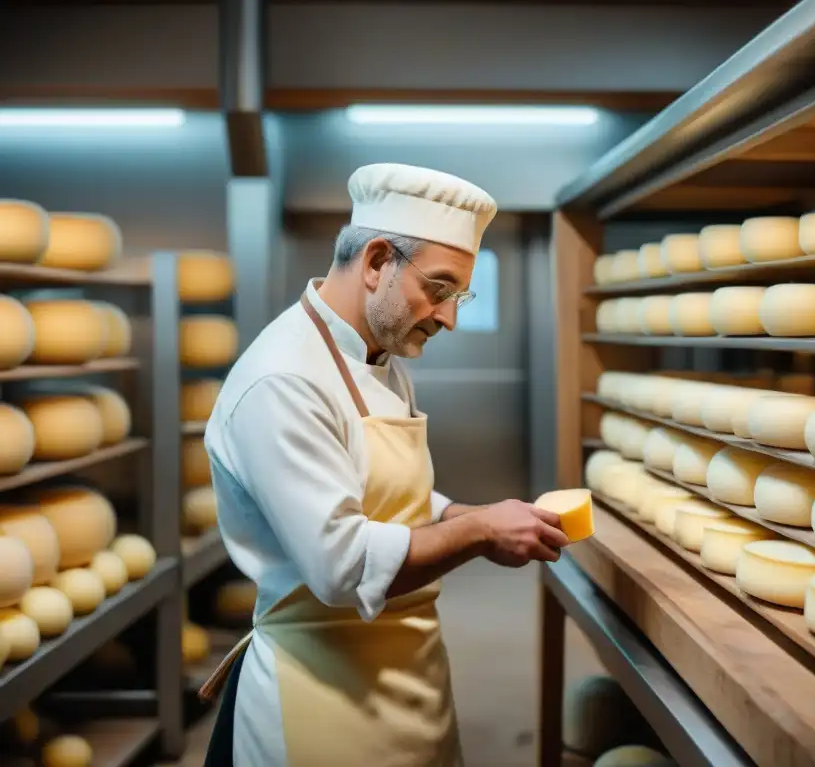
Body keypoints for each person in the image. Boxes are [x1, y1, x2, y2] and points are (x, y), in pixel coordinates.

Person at [199, 163, 570, 766]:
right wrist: (476, 532)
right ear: (376, 263)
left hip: (405, 670)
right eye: (441, 289)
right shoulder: (283, 380)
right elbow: (341, 567)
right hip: (319, 691)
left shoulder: (381, 357)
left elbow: (385, 492)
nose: (449, 317)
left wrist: (462, 511)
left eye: (460, 296)